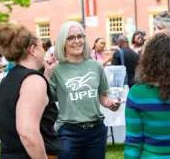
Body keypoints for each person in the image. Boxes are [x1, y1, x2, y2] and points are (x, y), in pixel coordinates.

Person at [44, 21, 119, 159]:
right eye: (71, 37)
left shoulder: (96, 66)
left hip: (96, 132)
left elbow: (103, 97)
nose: (77, 41)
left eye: (80, 36)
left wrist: (111, 104)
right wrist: (47, 73)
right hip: (68, 131)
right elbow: (44, 98)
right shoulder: (56, 69)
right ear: (62, 42)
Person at [0, 24, 61, 159]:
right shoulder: (33, 80)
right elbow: (27, 132)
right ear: (33, 50)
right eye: (43, 47)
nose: (45, 52)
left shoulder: (8, 79)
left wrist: (47, 74)